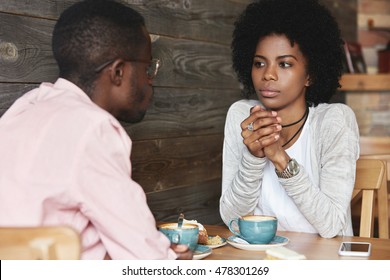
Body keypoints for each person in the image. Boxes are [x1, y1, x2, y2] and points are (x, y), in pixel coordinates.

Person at [0, 0, 192, 260]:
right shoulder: (93, 129)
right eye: (147, 68)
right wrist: (176, 259)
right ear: (118, 72)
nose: (149, 80)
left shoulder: (24, 108)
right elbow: (147, 260)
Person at [220, 0, 359, 238]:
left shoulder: (334, 120)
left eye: (284, 64)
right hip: (261, 261)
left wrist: (280, 159)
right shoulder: (242, 117)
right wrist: (254, 158)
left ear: (310, 74)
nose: (268, 75)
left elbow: (332, 225)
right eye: (259, 63)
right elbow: (232, 219)